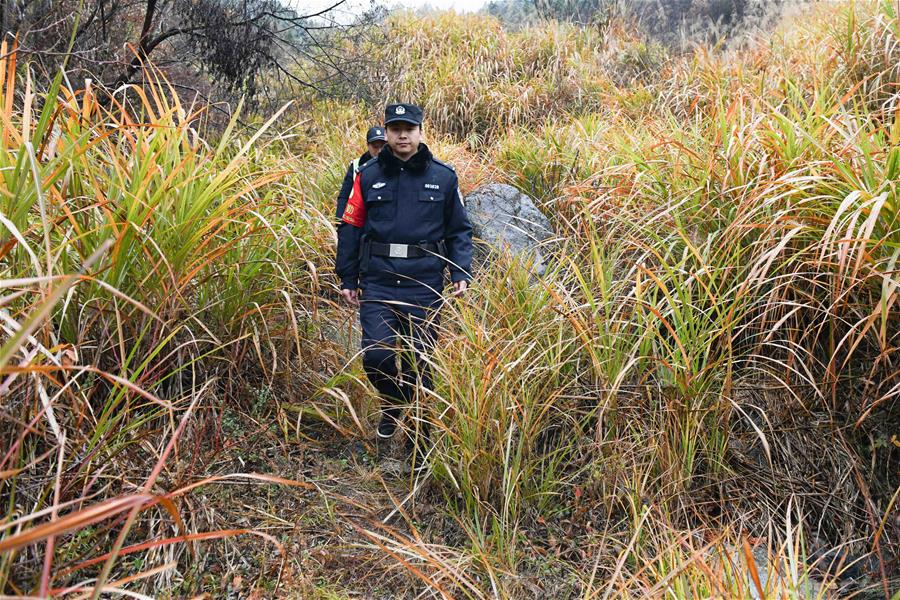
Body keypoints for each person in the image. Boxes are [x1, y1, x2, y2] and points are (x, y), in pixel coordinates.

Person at [335, 103, 473, 471]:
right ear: (387, 131)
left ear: (420, 131)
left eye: (408, 128)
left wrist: (461, 271)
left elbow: (459, 229)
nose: (402, 135)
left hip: (423, 282)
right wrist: (348, 277)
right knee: (376, 356)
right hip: (378, 280)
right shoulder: (366, 176)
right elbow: (350, 227)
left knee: (419, 365)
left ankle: (419, 449)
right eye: (395, 129)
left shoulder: (444, 178)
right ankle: (394, 403)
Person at [335, 126, 387, 220]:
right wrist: (339, 221)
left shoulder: (398, 164)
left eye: (383, 146)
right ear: (368, 145)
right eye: (375, 147)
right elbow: (344, 196)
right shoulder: (356, 165)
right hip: (362, 219)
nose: (379, 151)